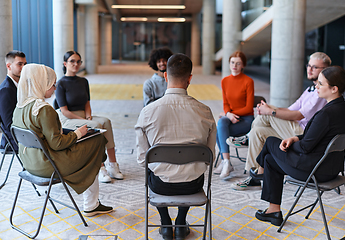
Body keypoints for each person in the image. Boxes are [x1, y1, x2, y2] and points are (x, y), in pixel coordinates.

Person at [253, 66, 345, 226]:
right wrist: (294, 138)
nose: (317, 87)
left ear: (334, 89)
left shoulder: (326, 114)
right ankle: (273, 211)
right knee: (270, 159)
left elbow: (306, 147)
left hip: (315, 171)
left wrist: (292, 144)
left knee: (271, 142)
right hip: (332, 169)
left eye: (321, 84)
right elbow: (316, 137)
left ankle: (258, 173)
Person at [12, 64, 113, 217]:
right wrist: (78, 133)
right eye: (52, 84)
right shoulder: (44, 109)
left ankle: (94, 197)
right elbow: (57, 144)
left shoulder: (19, 107)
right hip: (48, 164)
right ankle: (91, 204)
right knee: (97, 142)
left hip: (29, 163)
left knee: (94, 146)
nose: (54, 88)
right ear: (40, 83)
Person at [135, 53, 216, 240]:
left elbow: (141, 160)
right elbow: (209, 157)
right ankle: (180, 223)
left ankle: (165, 224)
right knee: (192, 167)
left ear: (165, 76)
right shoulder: (205, 111)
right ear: (190, 79)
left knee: (151, 168)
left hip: (160, 185)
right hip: (193, 185)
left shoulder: (147, 112)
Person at [231, 52, 330, 190]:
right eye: (308, 65)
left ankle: (246, 138)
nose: (309, 69)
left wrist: (269, 111)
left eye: (315, 67)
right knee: (258, 131)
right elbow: (290, 109)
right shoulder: (310, 89)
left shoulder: (321, 93)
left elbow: (298, 115)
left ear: (324, 70)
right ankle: (254, 176)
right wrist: (269, 108)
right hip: (293, 128)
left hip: (302, 134)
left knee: (267, 114)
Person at [55, 51, 123, 183]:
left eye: (78, 61)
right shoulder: (61, 83)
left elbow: (87, 102)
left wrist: (88, 116)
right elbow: (64, 111)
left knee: (106, 122)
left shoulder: (83, 81)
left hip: (83, 115)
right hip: (68, 118)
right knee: (96, 126)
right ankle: (100, 168)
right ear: (65, 64)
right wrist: (84, 121)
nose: (76, 64)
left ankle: (113, 166)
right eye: (72, 61)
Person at [214, 51, 254, 179]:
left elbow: (248, 108)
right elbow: (225, 103)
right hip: (231, 117)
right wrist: (228, 114)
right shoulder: (225, 81)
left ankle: (226, 162)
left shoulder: (248, 81)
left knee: (219, 130)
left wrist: (230, 114)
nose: (234, 65)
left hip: (246, 120)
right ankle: (226, 161)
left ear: (243, 65)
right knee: (221, 124)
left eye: (238, 63)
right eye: (232, 62)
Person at [0, 50, 27, 152]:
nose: (24, 67)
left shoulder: (19, 86)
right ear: (9, 66)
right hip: (13, 141)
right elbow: (9, 125)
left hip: (23, 134)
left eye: (25, 64)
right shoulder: (6, 90)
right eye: (20, 64)